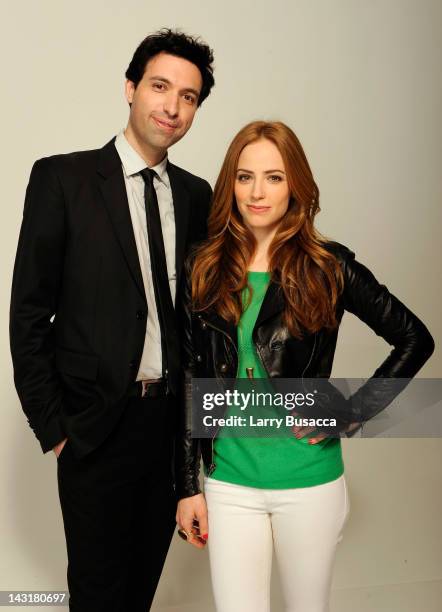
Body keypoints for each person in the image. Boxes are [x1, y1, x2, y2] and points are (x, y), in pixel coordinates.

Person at [175, 121, 434, 612]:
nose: (257, 192)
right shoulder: (204, 266)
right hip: (229, 483)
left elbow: (414, 338)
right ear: (230, 183)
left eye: (273, 177)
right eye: (245, 176)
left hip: (310, 483)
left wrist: (353, 412)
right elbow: (193, 377)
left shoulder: (327, 266)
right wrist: (189, 486)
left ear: (295, 185)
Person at [9, 29, 214, 612]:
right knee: (97, 595)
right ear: (130, 88)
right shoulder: (63, 180)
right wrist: (56, 430)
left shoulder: (197, 197)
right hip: (94, 429)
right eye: (159, 86)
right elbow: (28, 312)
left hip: (169, 429)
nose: (172, 106)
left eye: (190, 96)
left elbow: (202, 320)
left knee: (140, 590)